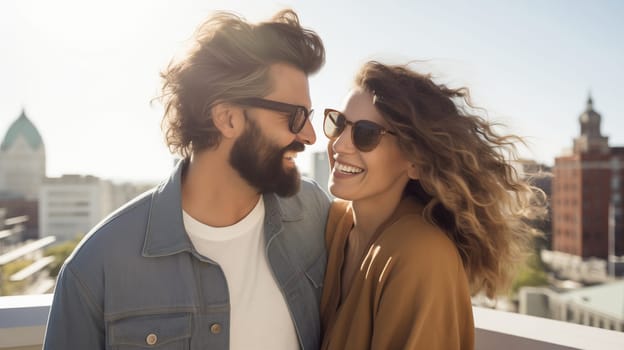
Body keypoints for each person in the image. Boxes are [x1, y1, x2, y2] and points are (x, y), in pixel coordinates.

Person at [43, 9, 331, 350]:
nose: (311, 136)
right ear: (227, 118)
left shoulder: (316, 214)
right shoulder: (96, 267)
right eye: (295, 116)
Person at [319, 61, 545, 349]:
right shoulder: (337, 225)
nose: (339, 145)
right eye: (338, 124)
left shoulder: (422, 256)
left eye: (365, 134)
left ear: (415, 161)